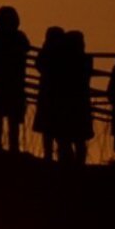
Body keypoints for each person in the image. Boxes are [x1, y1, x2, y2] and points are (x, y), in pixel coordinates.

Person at [0, 5, 31, 152]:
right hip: (15, 83)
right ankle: (13, 146)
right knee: (13, 117)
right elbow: (26, 47)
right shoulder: (20, 37)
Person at [34, 26, 68, 162]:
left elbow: (39, 65)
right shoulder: (65, 55)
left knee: (48, 129)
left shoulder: (46, 52)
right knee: (59, 128)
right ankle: (62, 157)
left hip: (47, 93)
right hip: (60, 95)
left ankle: (48, 155)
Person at [61, 29, 94, 165]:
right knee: (79, 139)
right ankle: (78, 165)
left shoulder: (63, 61)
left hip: (67, 102)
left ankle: (67, 164)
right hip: (80, 102)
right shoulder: (86, 60)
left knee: (66, 137)